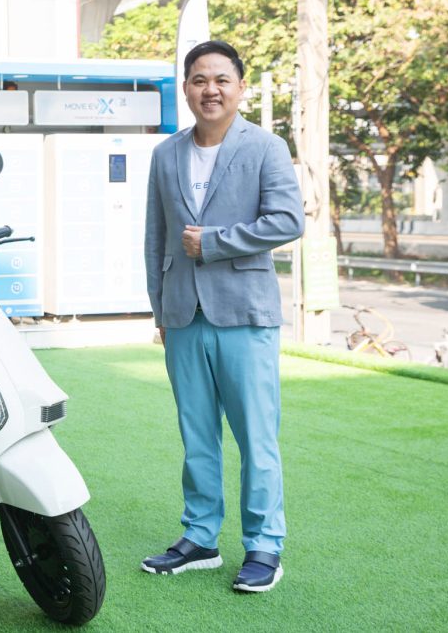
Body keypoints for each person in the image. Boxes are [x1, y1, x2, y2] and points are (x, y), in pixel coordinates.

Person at [142, 40, 305, 593]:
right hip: (182, 314)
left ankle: (264, 546)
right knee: (197, 436)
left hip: (245, 314)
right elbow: (156, 238)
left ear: (240, 87)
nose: (209, 89)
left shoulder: (266, 147)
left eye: (221, 80)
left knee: (256, 437)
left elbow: (287, 221)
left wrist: (214, 242)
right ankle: (200, 537)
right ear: (186, 88)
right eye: (198, 79)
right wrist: (160, 309)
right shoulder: (166, 154)